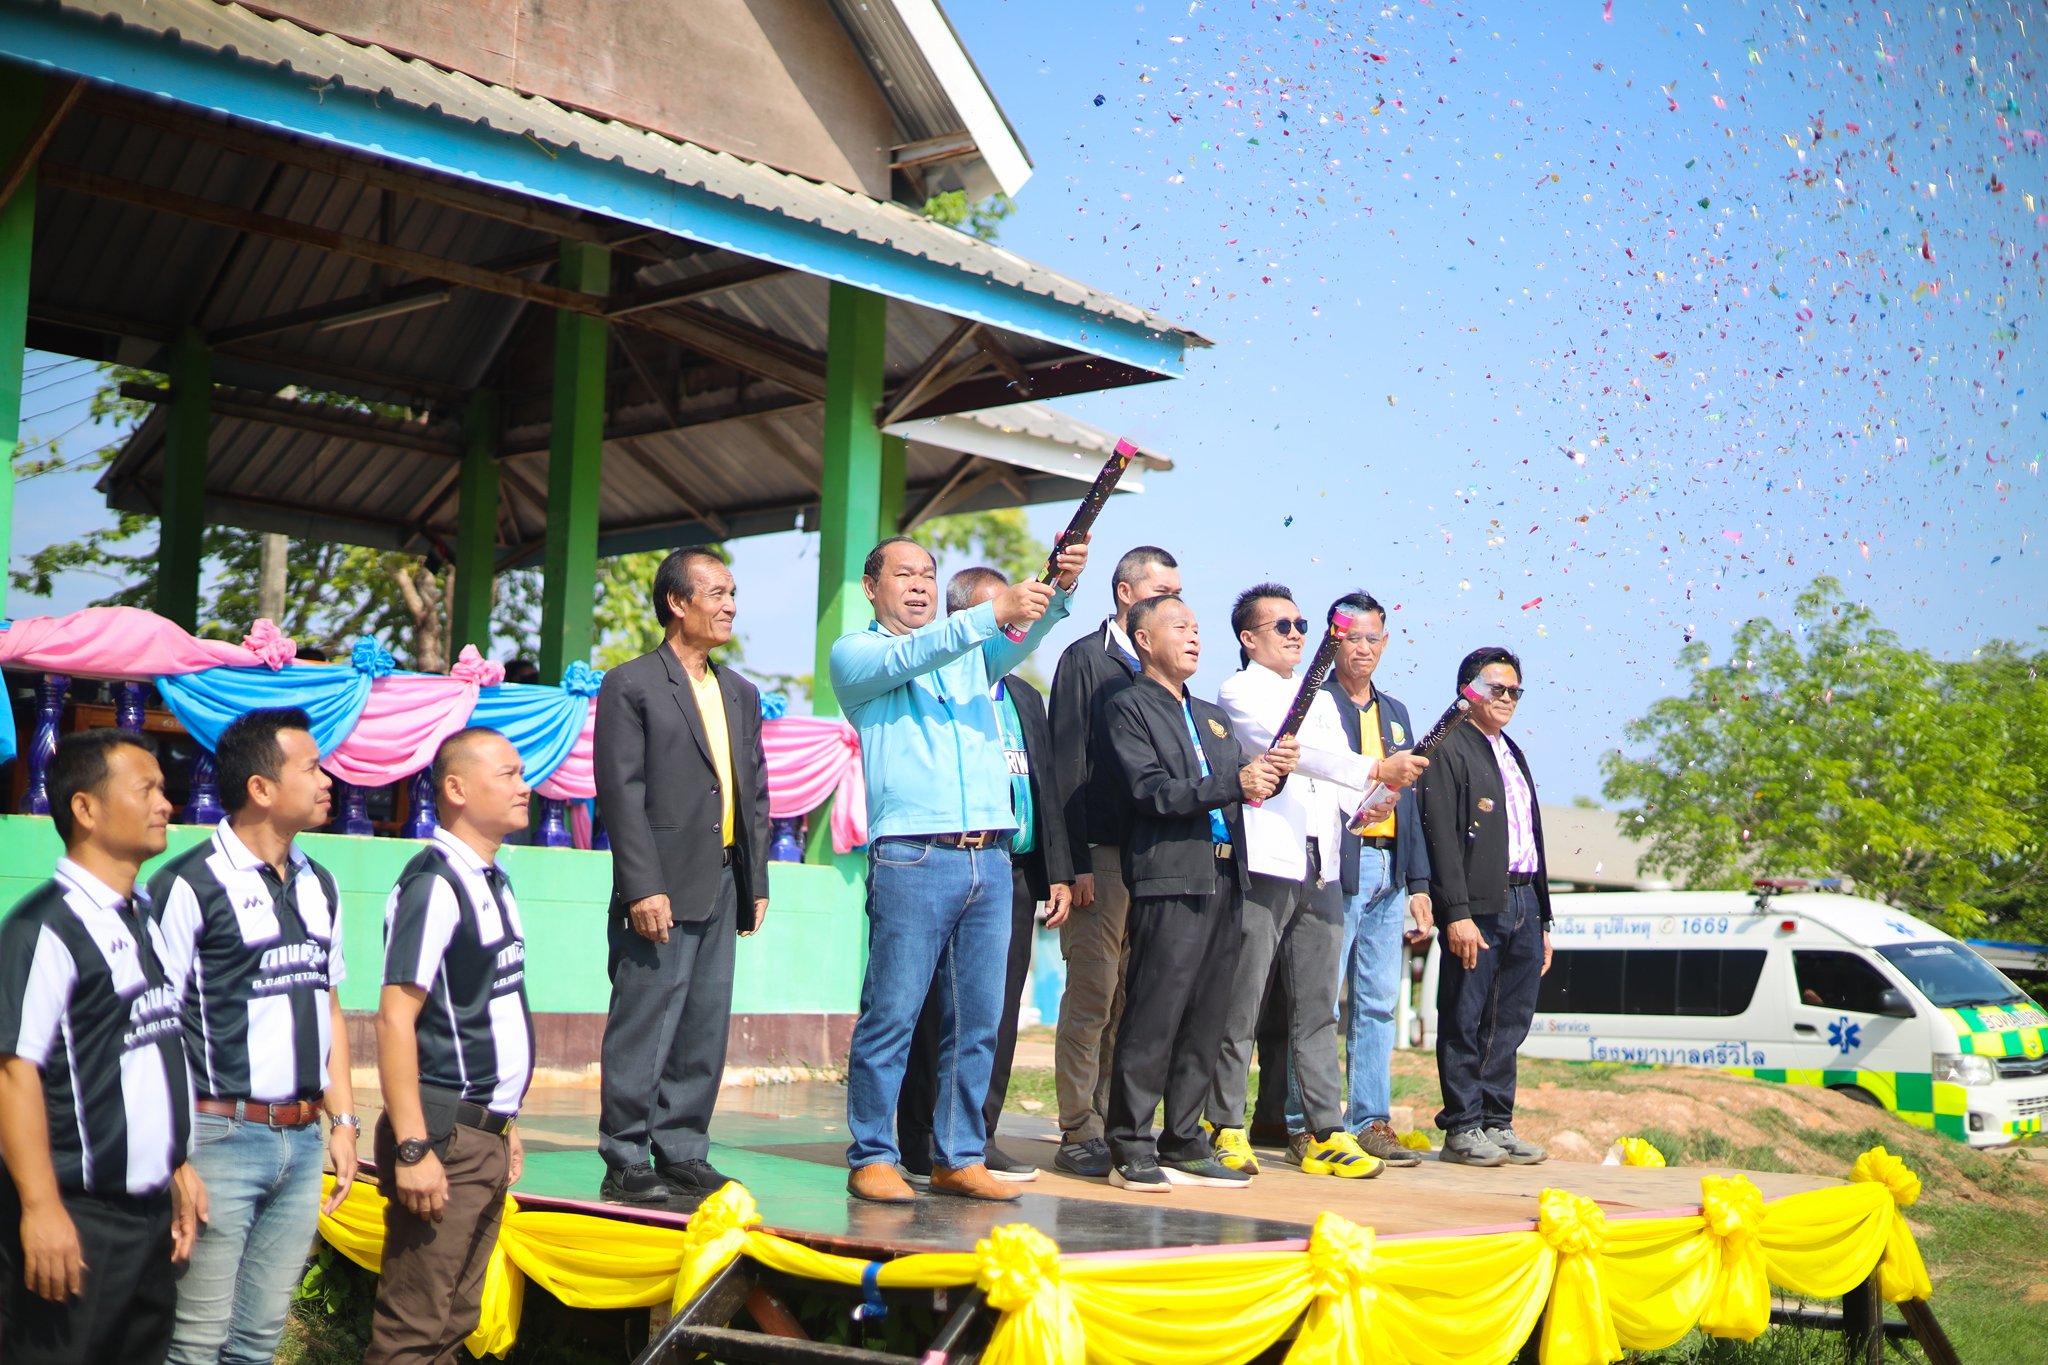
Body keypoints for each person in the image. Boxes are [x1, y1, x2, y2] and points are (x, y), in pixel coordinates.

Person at [828, 533, 1087, 1203]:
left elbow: (1023, 635)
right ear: (871, 587)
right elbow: (921, 651)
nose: (918, 583)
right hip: (914, 855)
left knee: (979, 1021)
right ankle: (872, 1155)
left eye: (927, 573)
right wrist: (995, 609)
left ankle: (959, 1155)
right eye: (904, 574)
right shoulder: (858, 654)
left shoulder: (972, 658)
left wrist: (1057, 587)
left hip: (991, 858)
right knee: (893, 1013)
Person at [147, 708, 361, 1365]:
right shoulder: (187, 883)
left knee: (257, 1342)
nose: (328, 781)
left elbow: (328, 1005)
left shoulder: (320, 882)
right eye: (312, 768)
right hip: (217, 1135)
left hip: (303, 1140)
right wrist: (174, 1157)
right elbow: (151, 1028)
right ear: (261, 788)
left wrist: (344, 1121)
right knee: (195, 1342)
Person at [0, 729, 205, 1365]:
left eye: (164, 790)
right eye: (147, 790)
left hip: (148, 1220)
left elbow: (151, 1050)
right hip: (77, 1218)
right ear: (85, 809)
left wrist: (176, 1166)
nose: (165, 804)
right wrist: (40, 1208)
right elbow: (12, 1073)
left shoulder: (143, 915)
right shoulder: (43, 928)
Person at [1205, 585, 1405, 1181]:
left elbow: (1338, 779)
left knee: (1319, 1007)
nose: (1296, 634)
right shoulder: (1238, 691)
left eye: (1301, 624)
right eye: (1282, 625)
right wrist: (1373, 767)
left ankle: (1324, 1131)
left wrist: (1370, 801)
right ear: (1249, 639)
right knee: (1243, 1000)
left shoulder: (1317, 696)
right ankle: (1225, 1123)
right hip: (1269, 862)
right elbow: (1291, 751)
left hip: (1323, 867)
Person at [593, 547, 770, 1206]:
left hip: (724, 880)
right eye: (717, 593)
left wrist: (756, 881)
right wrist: (642, 886)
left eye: (732, 593)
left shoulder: (740, 692)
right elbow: (621, 791)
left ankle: (684, 1150)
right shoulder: (632, 683)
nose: (730, 606)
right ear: (677, 602)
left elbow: (753, 792)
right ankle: (624, 1156)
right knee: (644, 1019)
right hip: (659, 885)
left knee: (704, 1021)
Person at [1101, 595, 1293, 1192]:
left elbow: (1239, 788)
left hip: (1227, 876)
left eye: (1197, 628)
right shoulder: (1127, 705)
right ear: (1143, 639)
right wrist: (1234, 781)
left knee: (1207, 1017)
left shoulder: (1212, 716)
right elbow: (1151, 791)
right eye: (1178, 627)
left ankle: (1184, 1140)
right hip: (1170, 876)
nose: (1193, 637)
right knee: (1155, 1014)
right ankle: (1130, 1144)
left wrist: (1270, 774)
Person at [897, 568, 1075, 1186]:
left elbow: (1044, 788)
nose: (1013, 625)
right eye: (1002, 614)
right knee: (930, 1009)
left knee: (993, 1010)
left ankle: (979, 1135)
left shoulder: (1024, 696)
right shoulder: (933, 682)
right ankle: (917, 1137)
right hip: (941, 860)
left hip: (1011, 870)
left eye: (1020, 615)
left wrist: (1057, 873)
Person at [366, 727, 534, 1365]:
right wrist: (413, 1147)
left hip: (484, 1133)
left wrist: (507, 1123)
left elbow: (488, 1009)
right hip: (443, 1138)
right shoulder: (434, 882)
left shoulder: (493, 879)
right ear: (457, 789)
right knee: (413, 1331)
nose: (525, 787)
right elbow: (394, 1019)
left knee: (455, 1322)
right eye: (509, 774)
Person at [1046, 545, 1180, 1177]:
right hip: (1097, 859)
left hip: (1151, 861)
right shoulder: (1085, 659)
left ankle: (1113, 1123)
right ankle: (1078, 1129)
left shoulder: (1166, 672)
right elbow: (1065, 763)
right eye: (1160, 592)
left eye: (1178, 594)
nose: (1173, 604)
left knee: (1130, 1001)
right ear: (1125, 594)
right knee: (1092, 997)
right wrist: (1072, 862)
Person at [1417, 647, 1552, 1167]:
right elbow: (1441, 838)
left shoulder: (1511, 750)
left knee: (1509, 1019)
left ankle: (1497, 1121)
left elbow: (1531, 835)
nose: (1509, 698)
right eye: (1499, 689)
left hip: (1523, 897)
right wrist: (1456, 913)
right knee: (1465, 1015)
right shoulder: (1447, 745)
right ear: (1468, 690)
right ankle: (1463, 1125)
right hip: (1477, 902)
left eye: (1516, 691)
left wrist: (1544, 917)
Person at [1316, 592, 1434, 1166]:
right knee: (1323, 999)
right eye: (1352, 637)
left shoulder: (1397, 713)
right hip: (1341, 860)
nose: (1362, 648)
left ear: (1385, 643)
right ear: (1333, 639)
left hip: (1391, 864)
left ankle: (1370, 1120)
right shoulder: (1317, 703)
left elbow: (1409, 800)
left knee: (1381, 1002)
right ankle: (1311, 1121)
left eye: (1372, 638)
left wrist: (1419, 884)